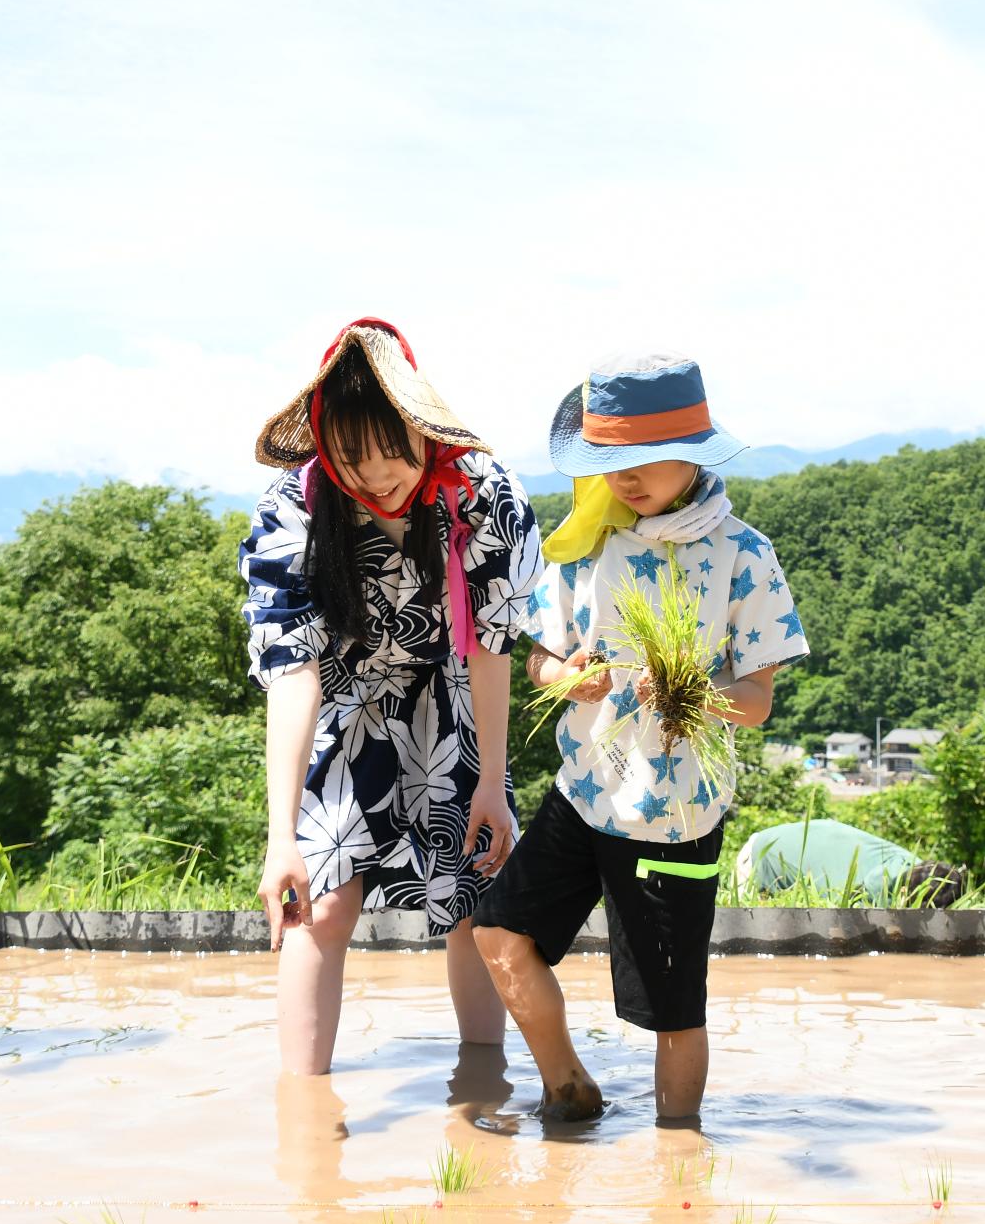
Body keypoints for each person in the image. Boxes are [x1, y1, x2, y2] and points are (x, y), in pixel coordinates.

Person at [474, 352, 809, 1121]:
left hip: (677, 812)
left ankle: (677, 1155)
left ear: (693, 452)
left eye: (642, 457)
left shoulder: (744, 555)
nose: (622, 477)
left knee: (674, 1009)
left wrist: (693, 691)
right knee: (498, 932)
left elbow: (757, 700)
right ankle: (569, 1088)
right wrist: (564, 676)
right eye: (608, 459)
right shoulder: (589, 542)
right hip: (584, 791)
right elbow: (539, 657)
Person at [242, 318, 542, 1075]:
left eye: (392, 456)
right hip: (344, 703)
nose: (377, 479)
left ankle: (483, 1085)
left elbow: (491, 645)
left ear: (422, 433)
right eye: (352, 460)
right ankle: (302, 1106)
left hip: (454, 695)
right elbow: (293, 671)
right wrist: (281, 837)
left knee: (473, 894)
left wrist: (491, 783)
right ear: (324, 448)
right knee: (317, 901)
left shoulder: (484, 493)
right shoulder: (294, 505)